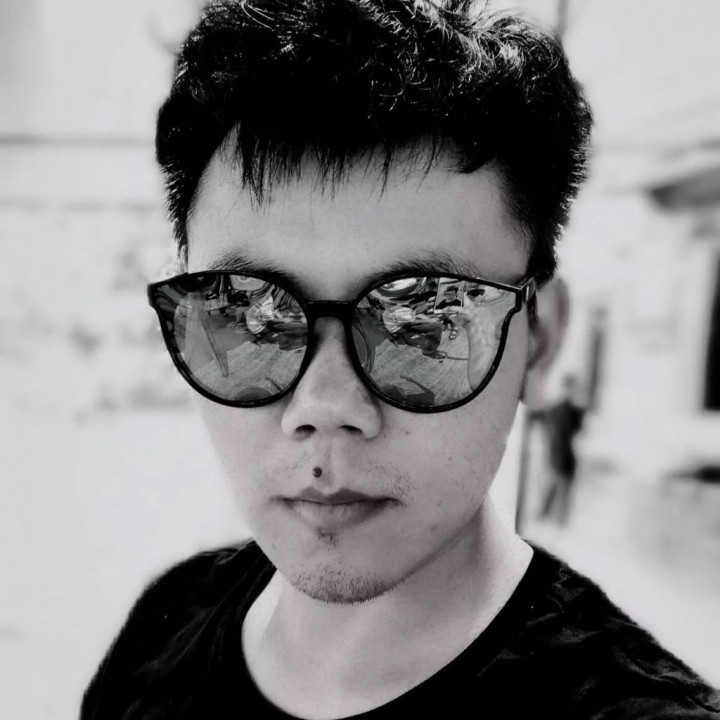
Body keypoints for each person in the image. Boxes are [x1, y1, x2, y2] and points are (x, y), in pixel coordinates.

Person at [81, 1, 720, 718]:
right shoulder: (163, 628)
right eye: (245, 313)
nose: (325, 407)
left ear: (539, 341)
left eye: (426, 320)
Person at [538, 373, 586, 524]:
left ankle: (553, 520)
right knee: (555, 489)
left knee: (559, 491)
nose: (570, 391)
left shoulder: (572, 411)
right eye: (569, 387)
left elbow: (578, 432)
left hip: (563, 456)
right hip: (557, 455)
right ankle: (548, 520)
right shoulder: (557, 410)